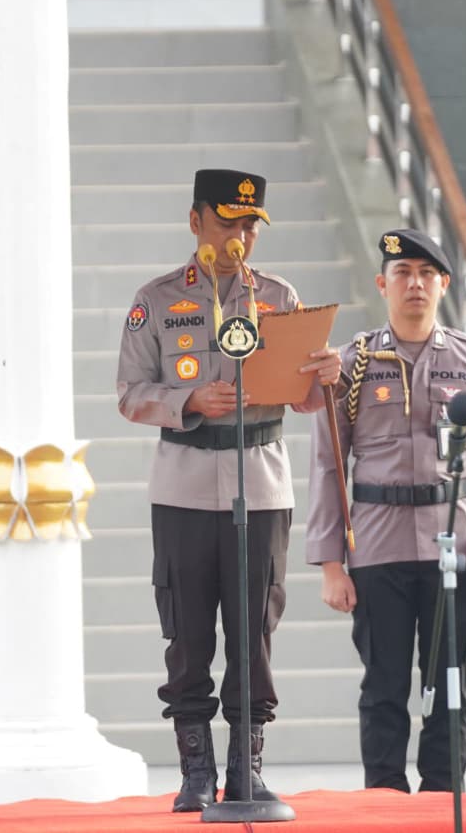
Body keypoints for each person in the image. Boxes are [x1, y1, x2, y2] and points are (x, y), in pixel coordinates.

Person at [116, 168, 342, 812]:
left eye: (250, 226)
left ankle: (247, 769)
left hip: (261, 482)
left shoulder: (277, 295)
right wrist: (190, 398)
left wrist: (322, 376)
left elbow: (302, 397)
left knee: (254, 630)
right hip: (184, 484)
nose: (240, 238)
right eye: (227, 224)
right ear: (195, 223)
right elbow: (130, 394)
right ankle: (194, 772)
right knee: (188, 630)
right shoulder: (156, 300)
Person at [305, 228, 466, 793]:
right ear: (383, 284)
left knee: (450, 681)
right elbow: (328, 463)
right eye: (403, 274)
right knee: (383, 684)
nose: (415, 284)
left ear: (444, 284)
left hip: (457, 545)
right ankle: (383, 798)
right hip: (377, 546)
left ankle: (443, 794)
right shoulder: (352, 362)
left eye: (427, 274)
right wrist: (330, 564)